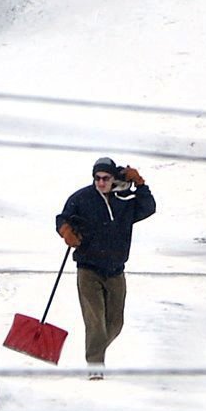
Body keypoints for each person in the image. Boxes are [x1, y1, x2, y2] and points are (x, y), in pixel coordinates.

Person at [55, 157, 157, 377]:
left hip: (116, 270)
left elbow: (148, 207)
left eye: (106, 178)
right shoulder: (82, 198)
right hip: (88, 269)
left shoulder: (124, 200)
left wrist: (140, 184)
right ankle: (95, 365)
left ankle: (97, 348)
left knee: (115, 323)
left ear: (114, 179)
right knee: (95, 322)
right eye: (97, 178)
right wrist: (66, 232)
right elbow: (62, 219)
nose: (101, 182)